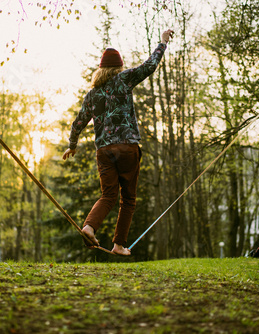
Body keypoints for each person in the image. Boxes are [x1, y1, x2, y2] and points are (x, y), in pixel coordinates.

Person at [63, 29, 175, 256]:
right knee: (129, 199)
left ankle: (89, 227)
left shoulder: (92, 93)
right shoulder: (124, 79)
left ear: (101, 69)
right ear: (119, 67)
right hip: (126, 147)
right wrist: (162, 42)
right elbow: (149, 66)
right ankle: (119, 245)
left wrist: (72, 145)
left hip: (103, 151)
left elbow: (78, 122)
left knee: (108, 195)